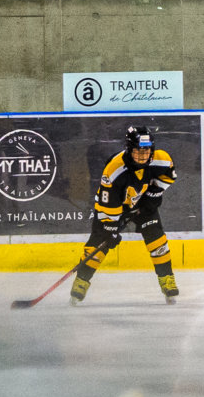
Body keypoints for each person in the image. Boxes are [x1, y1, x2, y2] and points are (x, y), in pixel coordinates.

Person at [71, 126, 178, 305]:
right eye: (138, 151)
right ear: (129, 149)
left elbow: (169, 176)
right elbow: (108, 204)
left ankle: (167, 279)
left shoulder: (162, 159)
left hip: (142, 204)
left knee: (158, 241)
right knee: (98, 247)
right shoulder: (115, 169)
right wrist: (110, 229)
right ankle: (81, 280)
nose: (143, 156)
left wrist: (153, 194)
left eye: (146, 151)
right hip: (112, 208)